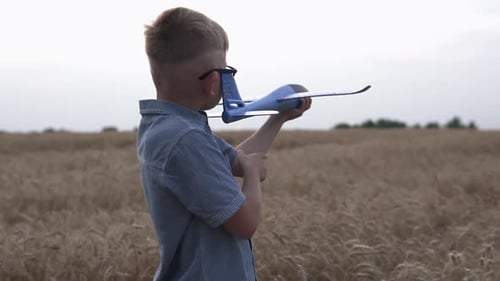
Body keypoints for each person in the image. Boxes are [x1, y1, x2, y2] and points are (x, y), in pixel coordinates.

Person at [137, 7, 311, 281]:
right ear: (213, 81)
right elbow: (245, 223)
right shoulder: (185, 139)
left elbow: (236, 160)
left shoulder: (170, 128)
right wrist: (252, 174)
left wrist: (279, 119)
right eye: (226, 71)